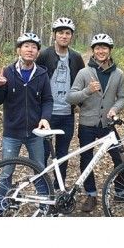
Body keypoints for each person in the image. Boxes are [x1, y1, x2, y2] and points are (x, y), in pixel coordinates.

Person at [0, 32, 53, 215]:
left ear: (37, 52)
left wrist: (45, 118)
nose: (30, 50)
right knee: (6, 171)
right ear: (19, 49)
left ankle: (45, 205)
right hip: (12, 132)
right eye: (26, 46)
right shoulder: (8, 72)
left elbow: (47, 100)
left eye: (34, 47)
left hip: (35, 132)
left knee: (40, 170)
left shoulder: (41, 74)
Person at [66, 33, 124, 212]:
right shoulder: (84, 73)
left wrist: (115, 109)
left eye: (104, 48)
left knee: (120, 158)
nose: (101, 51)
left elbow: (122, 97)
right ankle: (90, 194)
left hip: (108, 125)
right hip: (87, 124)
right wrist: (87, 91)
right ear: (93, 51)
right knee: (86, 159)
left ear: (109, 51)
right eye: (98, 48)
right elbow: (70, 97)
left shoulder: (118, 74)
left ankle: (120, 190)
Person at [35, 17, 85, 189]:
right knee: (43, 153)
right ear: (54, 35)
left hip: (67, 115)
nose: (64, 36)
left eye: (67, 33)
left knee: (63, 153)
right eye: (60, 33)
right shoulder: (44, 55)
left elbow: (82, 82)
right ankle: (42, 189)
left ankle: (59, 186)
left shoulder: (76, 58)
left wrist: (81, 104)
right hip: (46, 115)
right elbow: (35, 79)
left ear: (71, 36)